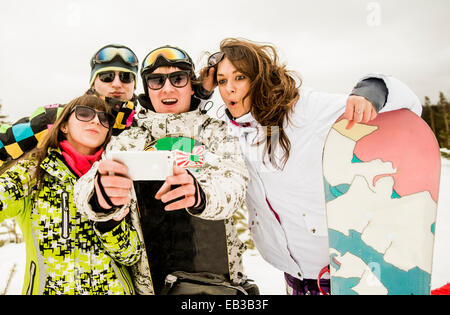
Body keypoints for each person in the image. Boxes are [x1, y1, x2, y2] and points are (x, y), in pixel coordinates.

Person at [203, 38, 423, 295]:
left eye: (239, 77)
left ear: (259, 77)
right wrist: (199, 94)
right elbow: (193, 135)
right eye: (221, 81)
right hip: (292, 274)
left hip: (342, 275)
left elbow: (408, 106)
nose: (229, 88)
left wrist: (371, 91)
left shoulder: (306, 110)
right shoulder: (232, 130)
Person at [74, 45, 252, 295]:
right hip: (152, 286)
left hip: (217, 285)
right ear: (148, 90)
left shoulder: (216, 132)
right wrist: (100, 196)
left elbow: (234, 183)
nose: (167, 88)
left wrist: (200, 195)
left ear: (191, 85)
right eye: (157, 81)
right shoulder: (130, 138)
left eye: (177, 79)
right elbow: (84, 187)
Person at [0, 94, 142, 295]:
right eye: (84, 113)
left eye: (104, 119)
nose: (95, 120)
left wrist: (108, 223)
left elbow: (132, 256)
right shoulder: (32, 173)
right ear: (64, 125)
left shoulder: (117, 176)